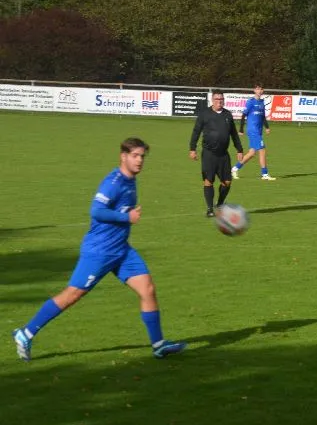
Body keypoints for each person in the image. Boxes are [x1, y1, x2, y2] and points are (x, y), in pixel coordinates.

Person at [11, 138, 187, 361]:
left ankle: (159, 345)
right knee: (73, 294)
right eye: (135, 155)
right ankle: (26, 333)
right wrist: (127, 217)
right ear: (123, 156)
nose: (140, 160)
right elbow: (96, 211)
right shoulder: (113, 183)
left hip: (121, 250)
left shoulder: (131, 180)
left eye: (142, 156)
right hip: (100, 251)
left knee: (147, 289)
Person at [189, 91, 244, 217]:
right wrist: (192, 149)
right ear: (212, 100)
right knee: (208, 181)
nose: (219, 101)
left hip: (223, 154)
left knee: (227, 182)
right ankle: (210, 209)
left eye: (221, 99)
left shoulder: (227, 114)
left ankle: (219, 204)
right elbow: (196, 131)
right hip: (209, 153)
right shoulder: (204, 114)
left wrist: (239, 149)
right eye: (217, 99)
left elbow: (233, 134)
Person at [232, 84, 276, 181]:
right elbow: (243, 115)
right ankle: (265, 174)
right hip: (253, 130)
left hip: (258, 131)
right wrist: (241, 129)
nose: (260, 91)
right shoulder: (250, 102)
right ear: (254, 90)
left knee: (251, 153)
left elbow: (262, 116)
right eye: (258, 89)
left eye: (261, 89)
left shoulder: (262, 102)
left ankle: (234, 169)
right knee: (262, 150)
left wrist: (267, 127)